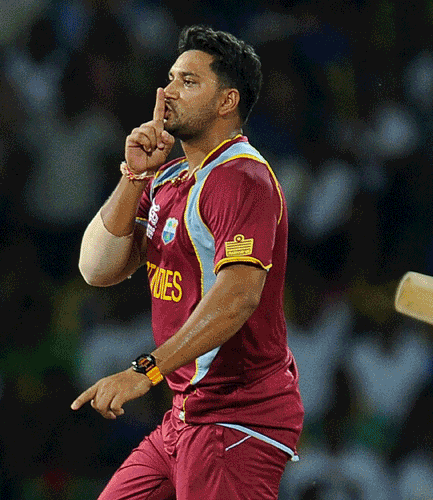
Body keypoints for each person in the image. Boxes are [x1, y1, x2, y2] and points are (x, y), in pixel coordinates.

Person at [72, 25, 303, 500]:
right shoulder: (170, 178)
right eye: (170, 78)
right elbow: (96, 268)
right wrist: (135, 174)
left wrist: (144, 371)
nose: (167, 91)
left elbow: (238, 298)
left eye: (188, 82)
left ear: (226, 102)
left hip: (238, 417)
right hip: (184, 416)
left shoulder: (244, 179)